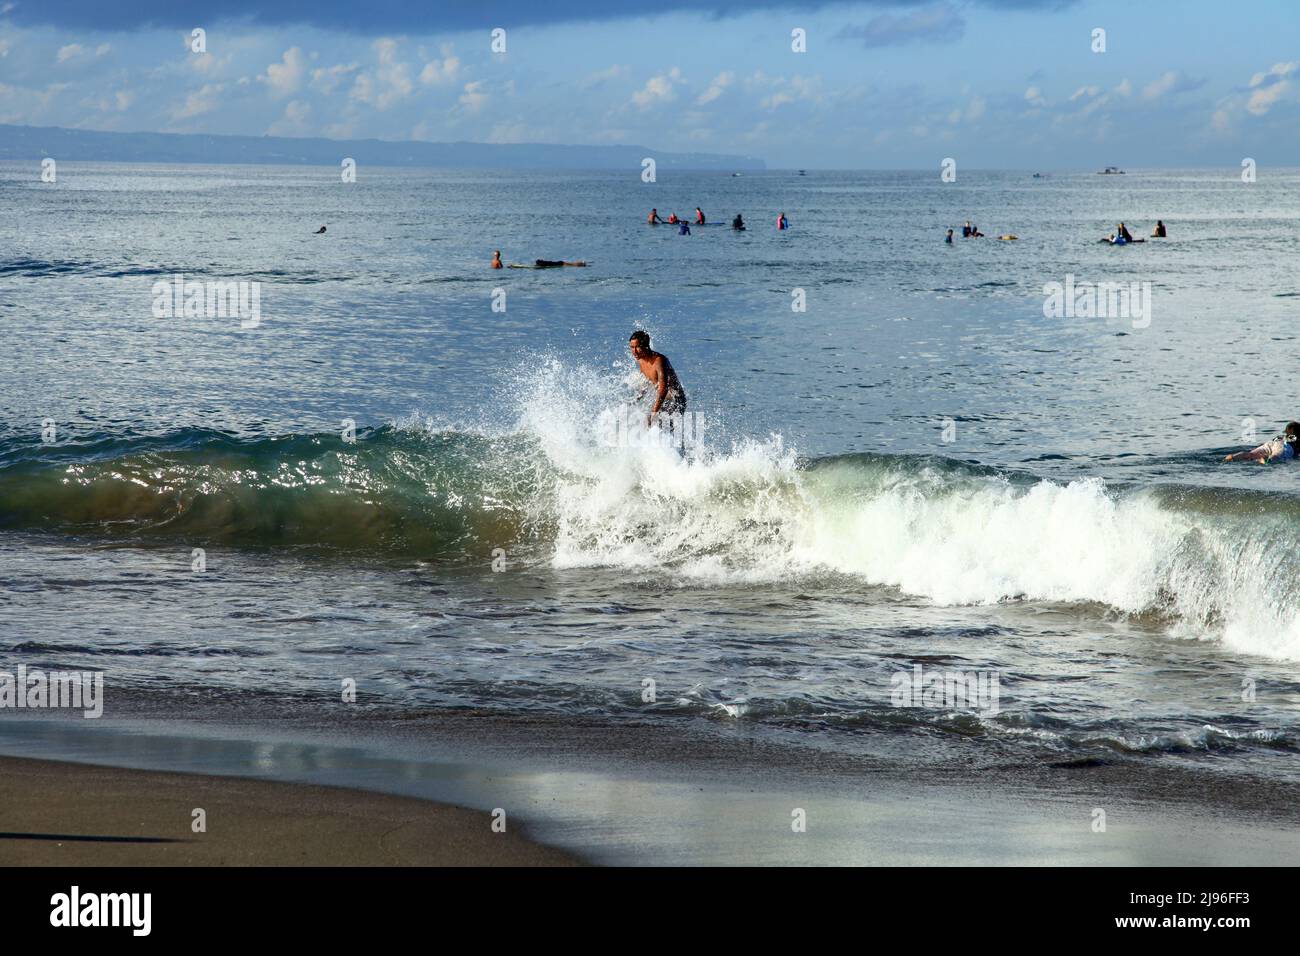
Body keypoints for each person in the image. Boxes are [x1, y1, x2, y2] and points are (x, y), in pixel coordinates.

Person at [629, 330, 686, 430]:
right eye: (632, 347)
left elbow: (663, 388)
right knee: (646, 422)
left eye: (637, 347)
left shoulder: (659, 360)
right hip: (665, 400)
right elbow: (646, 382)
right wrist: (635, 400)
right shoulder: (641, 360)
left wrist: (654, 412)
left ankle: (672, 444)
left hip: (676, 400)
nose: (634, 351)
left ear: (646, 346)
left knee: (656, 423)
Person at [1224, 423, 1300, 464]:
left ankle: (1234, 456)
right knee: (1275, 457)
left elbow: (1275, 442)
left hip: (1271, 443)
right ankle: (1264, 459)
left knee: (1251, 454)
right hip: (1285, 446)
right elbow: (1293, 440)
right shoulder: (1297, 439)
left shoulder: (1280, 436)